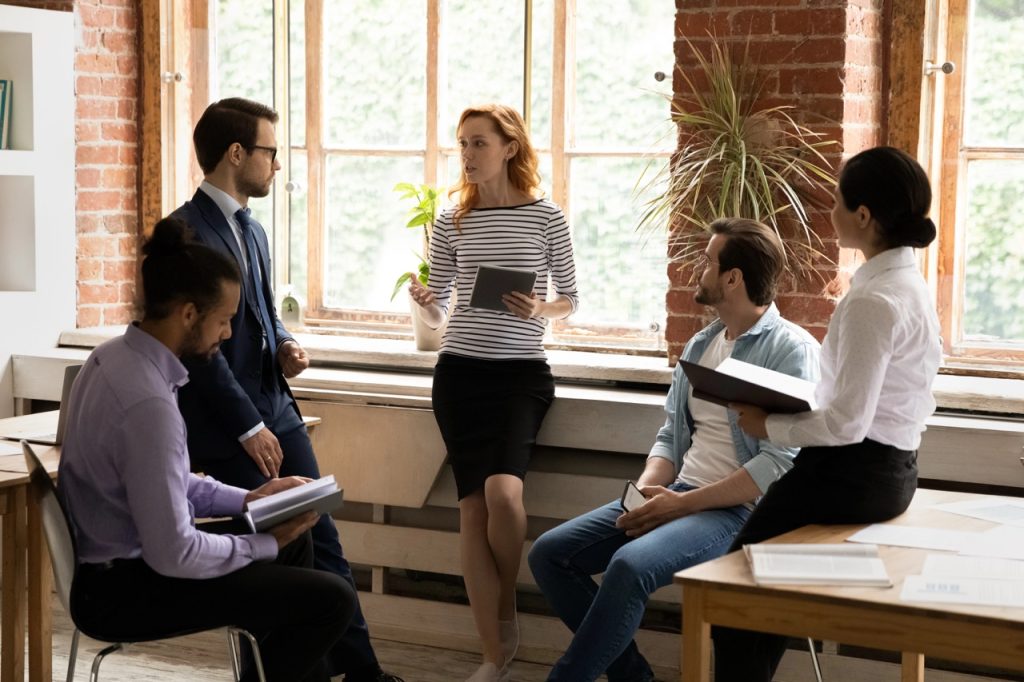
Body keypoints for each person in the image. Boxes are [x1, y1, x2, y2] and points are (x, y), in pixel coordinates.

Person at [57, 218, 355, 682]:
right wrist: (260, 544)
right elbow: (173, 552)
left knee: (294, 544)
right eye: (224, 320)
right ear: (190, 314)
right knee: (332, 600)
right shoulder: (148, 405)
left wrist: (250, 500)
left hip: (121, 568)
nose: (229, 334)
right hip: (126, 590)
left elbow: (164, 481)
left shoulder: (112, 357)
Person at [527, 218, 821, 682]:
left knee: (627, 565)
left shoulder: (791, 350)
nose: (697, 271)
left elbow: (778, 464)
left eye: (708, 262)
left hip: (737, 512)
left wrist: (681, 505)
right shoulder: (702, 344)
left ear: (733, 277)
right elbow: (670, 436)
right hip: (679, 494)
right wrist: (647, 493)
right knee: (549, 554)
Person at [169, 97, 400, 682]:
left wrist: (286, 342)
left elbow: (262, 313)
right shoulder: (184, 231)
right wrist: (248, 425)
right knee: (283, 553)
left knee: (324, 537)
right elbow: (199, 343)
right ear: (237, 153)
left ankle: (364, 674)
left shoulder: (255, 229)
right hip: (231, 428)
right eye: (271, 151)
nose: (278, 165)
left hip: (280, 409)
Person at [715, 146, 943, 681]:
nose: (830, 212)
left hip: (850, 474)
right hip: (892, 471)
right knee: (757, 599)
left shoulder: (873, 300)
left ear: (863, 216)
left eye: (838, 201)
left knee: (732, 597)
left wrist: (766, 424)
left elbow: (846, 424)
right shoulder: (909, 284)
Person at [408, 103, 579, 682]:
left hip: (519, 377)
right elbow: (444, 301)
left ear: (509, 147)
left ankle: (504, 605)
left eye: (478, 143)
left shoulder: (546, 217)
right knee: (472, 509)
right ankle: (492, 654)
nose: (468, 155)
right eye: (462, 144)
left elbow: (572, 299)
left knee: (505, 496)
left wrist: (541, 307)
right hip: (459, 375)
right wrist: (426, 300)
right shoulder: (454, 220)